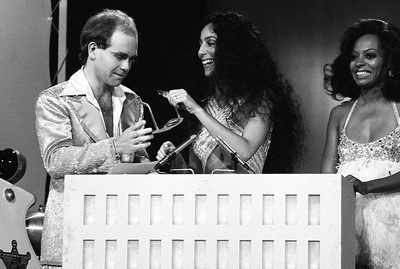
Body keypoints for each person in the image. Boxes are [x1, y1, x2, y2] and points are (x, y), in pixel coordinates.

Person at [35, 9, 153, 268]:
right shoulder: (55, 100)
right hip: (71, 239)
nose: (126, 67)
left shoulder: (133, 102)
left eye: (131, 59)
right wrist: (114, 147)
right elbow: (55, 160)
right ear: (92, 50)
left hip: (122, 240)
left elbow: (136, 163)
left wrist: (156, 164)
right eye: (119, 56)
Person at [156, 11, 303, 174]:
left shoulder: (261, 100)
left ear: (232, 49)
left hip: (245, 197)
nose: (200, 52)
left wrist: (197, 110)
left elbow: (245, 151)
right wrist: (175, 159)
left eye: (210, 43)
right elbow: (196, 178)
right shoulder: (206, 104)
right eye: (200, 44)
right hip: (208, 199)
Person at [321, 18, 400, 269]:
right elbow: (325, 178)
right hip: (347, 225)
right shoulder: (339, 115)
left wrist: (366, 186)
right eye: (355, 57)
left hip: (393, 227)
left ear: (388, 63)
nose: (360, 63)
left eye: (370, 55)